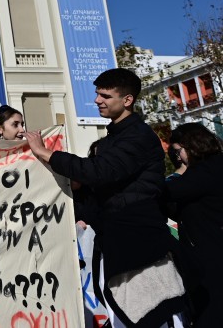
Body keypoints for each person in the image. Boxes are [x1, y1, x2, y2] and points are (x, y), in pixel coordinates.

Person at [26, 68, 187, 327]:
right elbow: (103, 184)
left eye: (105, 95)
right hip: (120, 239)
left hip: (139, 242)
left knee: (153, 310)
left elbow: (100, 172)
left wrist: (46, 153)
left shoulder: (137, 136)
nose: (97, 100)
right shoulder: (115, 136)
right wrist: (78, 187)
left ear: (127, 100)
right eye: (97, 94)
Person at [165, 123, 223, 326]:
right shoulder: (211, 168)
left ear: (192, 146)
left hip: (211, 256)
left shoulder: (206, 171)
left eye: (178, 151)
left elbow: (169, 193)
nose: (178, 158)